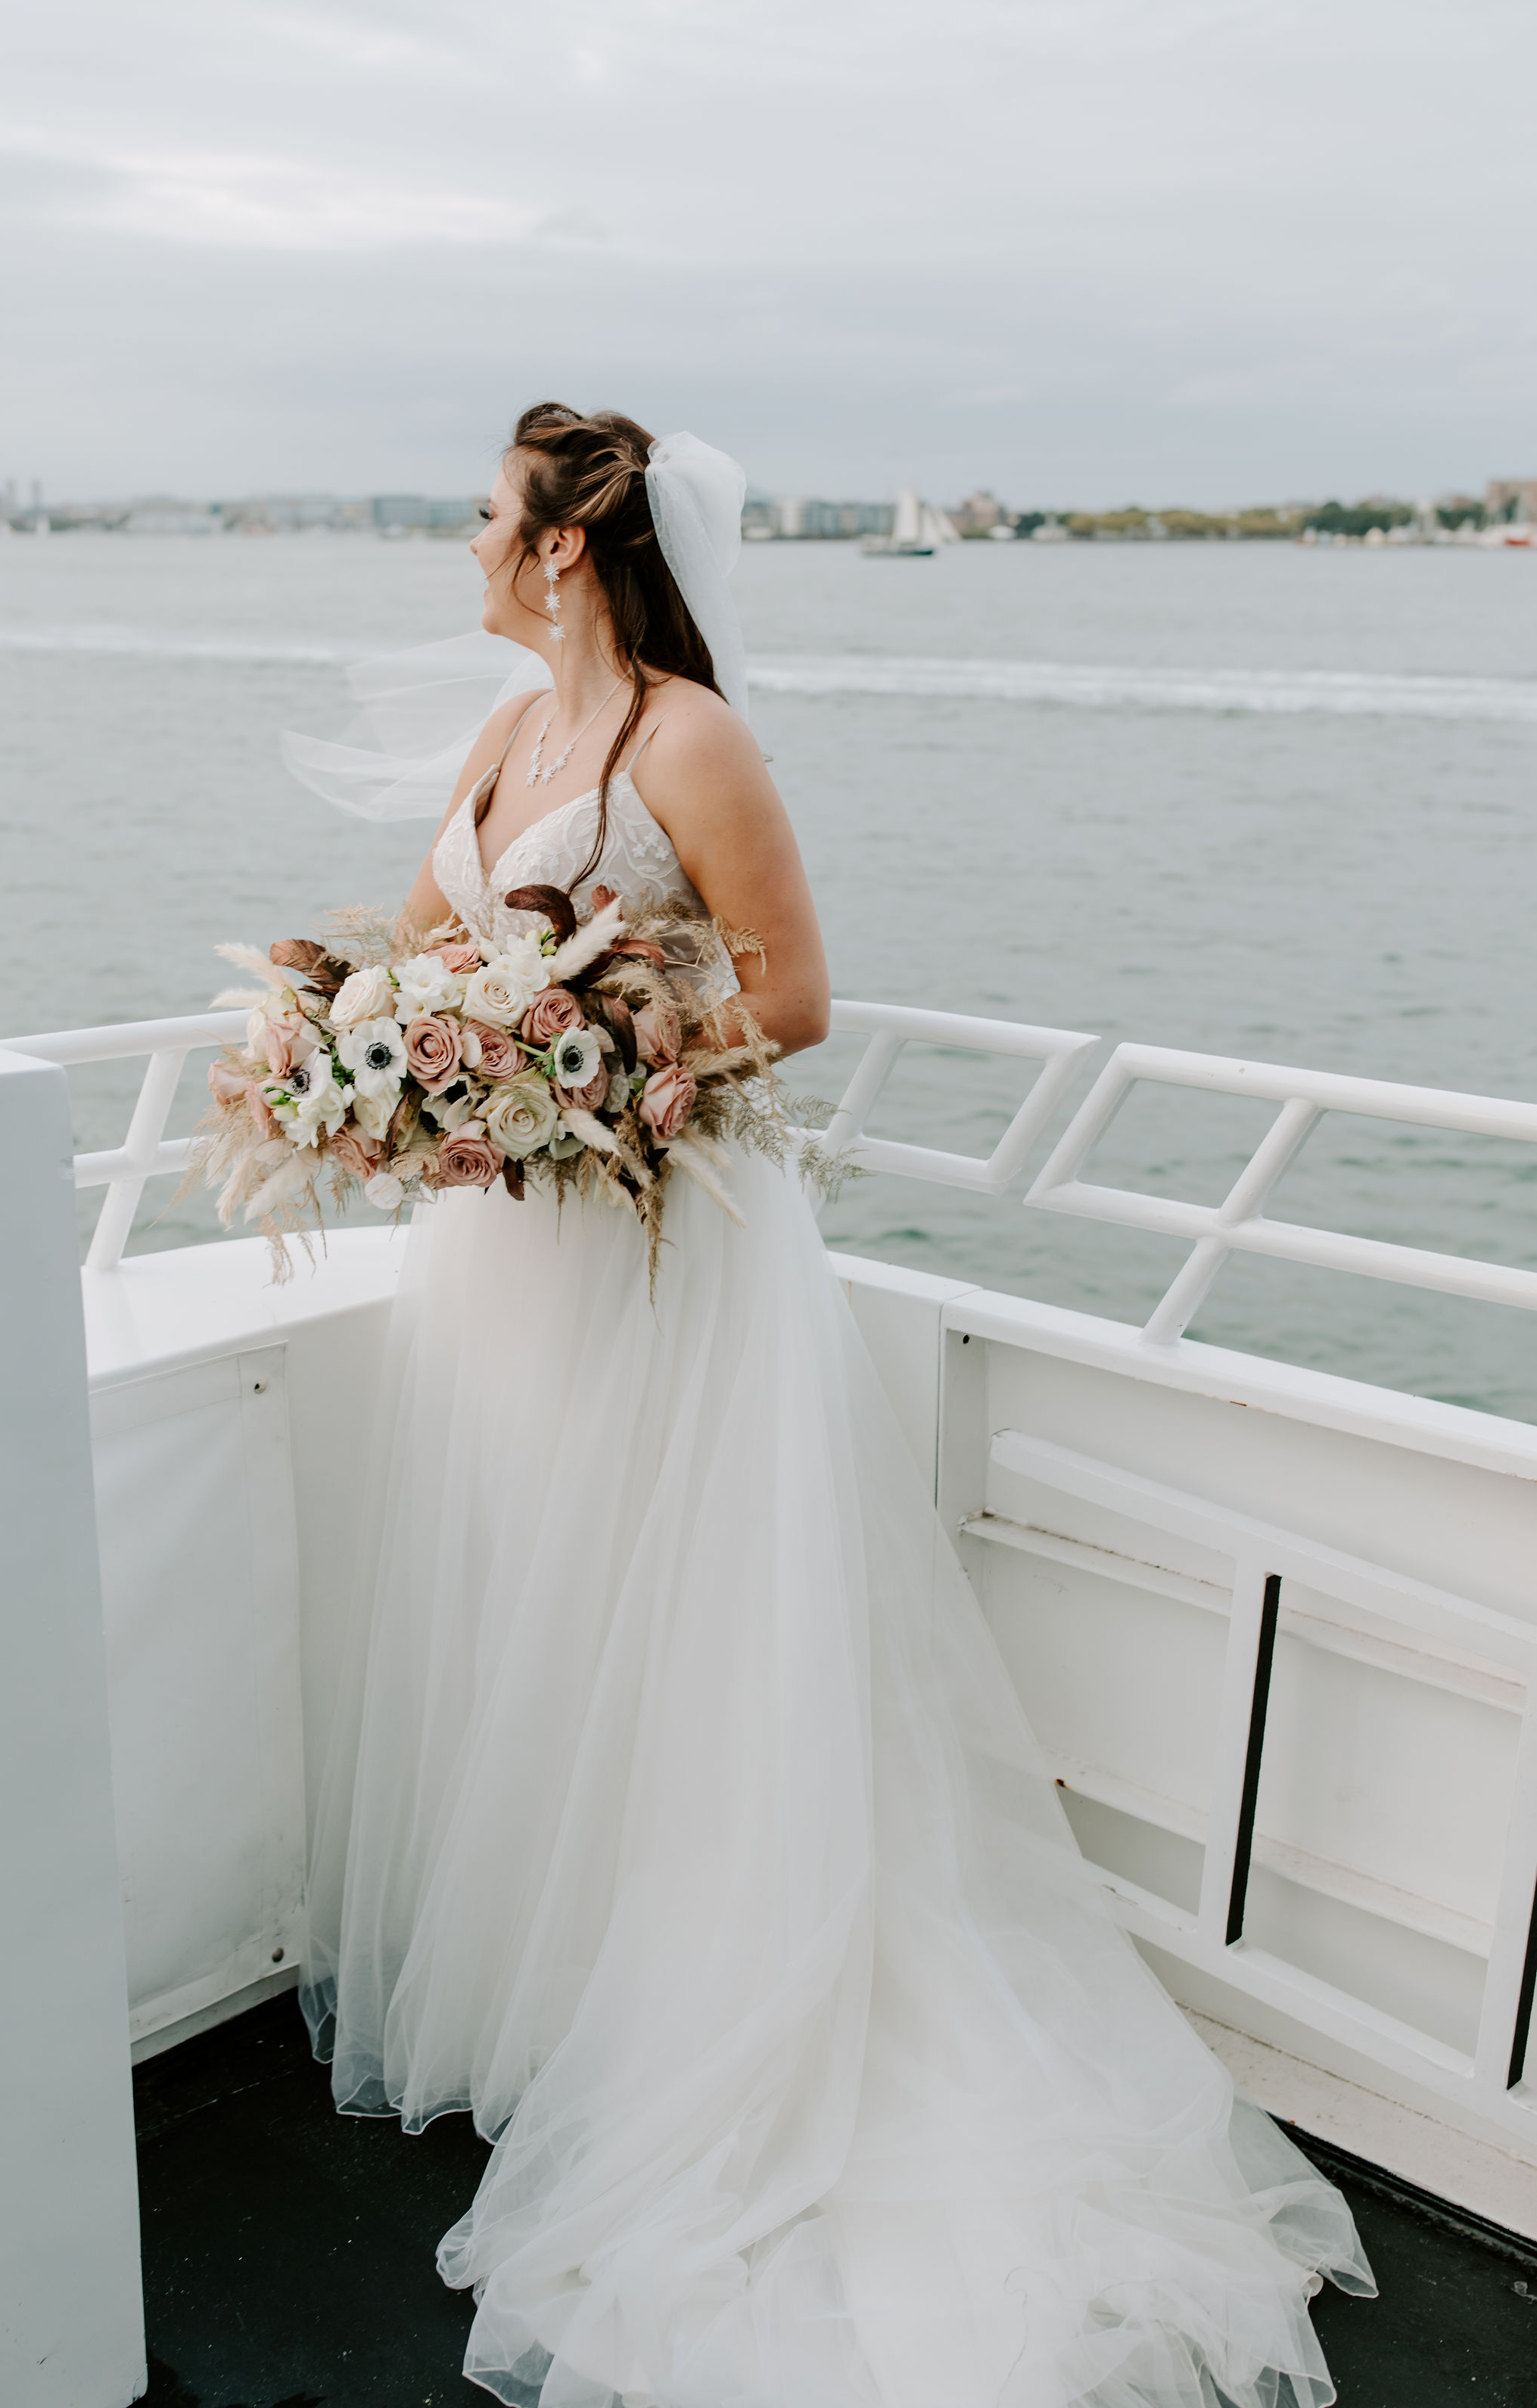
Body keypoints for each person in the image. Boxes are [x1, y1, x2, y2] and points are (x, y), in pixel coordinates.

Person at [299, 404, 1372, 2408]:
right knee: (535, 1607)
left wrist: (572, 1081)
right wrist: (379, 1069)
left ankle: (707, 2025)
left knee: (672, 1632)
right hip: (509, 1261)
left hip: (657, 1260)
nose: (458, 546)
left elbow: (787, 1002)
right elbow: (415, 951)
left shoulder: (685, 742)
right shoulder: (505, 739)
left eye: (481, 519)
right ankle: (560, 2003)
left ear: (558, 553)